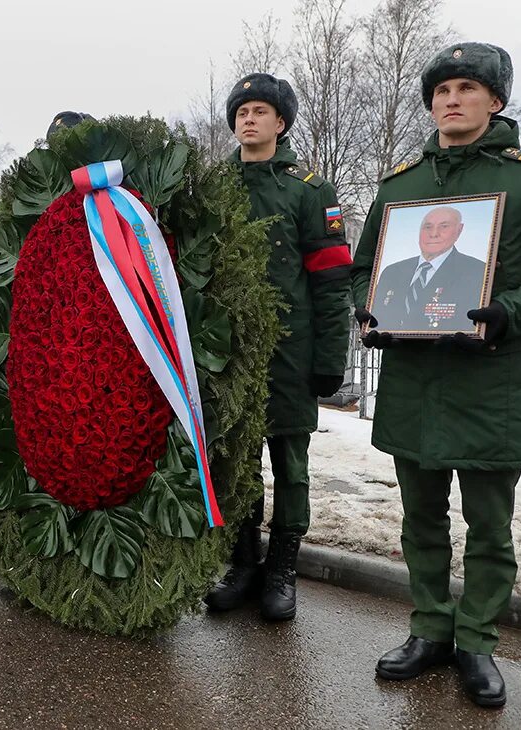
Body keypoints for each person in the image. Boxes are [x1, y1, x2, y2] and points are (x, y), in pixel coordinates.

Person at [351, 42, 521, 708]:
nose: (452, 100)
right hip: (414, 383)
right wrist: (368, 311)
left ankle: (477, 640)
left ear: (495, 100)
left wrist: (511, 311)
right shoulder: (400, 187)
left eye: (467, 88)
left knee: (489, 525)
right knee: (419, 519)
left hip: (489, 381)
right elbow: (361, 268)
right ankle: (429, 629)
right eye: (441, 90)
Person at [204, 73, 353, 621]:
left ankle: (282, 570)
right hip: (227, 353)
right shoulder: (212, 187)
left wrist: (330, 359)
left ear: (281, 122)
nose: (249, 119)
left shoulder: (308, 190)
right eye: (242, 111)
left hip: (290, 352)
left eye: (261, 111)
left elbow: (333, 281)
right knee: (237, 463)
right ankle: (243, 563)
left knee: (290, 465)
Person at [369, 206, 487, 331]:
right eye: (428, 227)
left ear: (459, 230)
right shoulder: (392, 272)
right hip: (395, 349)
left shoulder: (477, 272)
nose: (434, 234)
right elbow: (379, 317)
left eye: (444, 226)